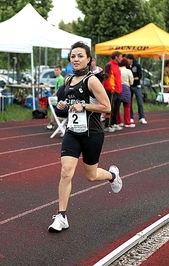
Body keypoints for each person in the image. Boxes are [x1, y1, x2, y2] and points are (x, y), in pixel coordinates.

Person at [48, 42, 123, 232]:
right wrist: (64, 105)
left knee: (91, 175)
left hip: (92, 133)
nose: (76, 59)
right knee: (66, 171)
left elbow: (107, 107)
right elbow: (67, 103)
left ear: (88, 59)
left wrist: (85, 106)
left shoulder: (92, 81)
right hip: (73, 132)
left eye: (80, 56)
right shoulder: (68, 80)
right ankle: (61, 216)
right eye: (73, 56)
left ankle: (113, 176)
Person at [103, 51, 123, 132]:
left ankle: (114, 123)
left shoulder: (117, 66)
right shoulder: (109, 65)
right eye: (121, 57)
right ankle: (108, 125)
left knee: (116, 108)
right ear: (116, 57)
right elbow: (106, 78)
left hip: (118, 91)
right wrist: (110, 89)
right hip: (112, 91)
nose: (122, 59)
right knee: (110, 108)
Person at [126, 54, 147, 125]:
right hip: (129, 86)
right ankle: (131, 117)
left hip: (137, 86)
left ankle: (141, 117)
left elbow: (140, 75)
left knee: (140, 102)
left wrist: (134, 78)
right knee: (130, 102)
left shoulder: (137, 66)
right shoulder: (127, 67)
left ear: (131, 59)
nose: (127, 60)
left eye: (128, 59)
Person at [116, 58, 134, 127]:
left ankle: (118, 121)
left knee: (117, 106)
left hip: (117, 87)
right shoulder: (128, 71)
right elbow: (131, 82)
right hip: (126, 88)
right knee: (127, 106)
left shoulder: (117, 69)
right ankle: (127, 122)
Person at [46, 65, 64, 130]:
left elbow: (60, 88)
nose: (55, 71)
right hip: (56, 96)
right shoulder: (57, 78)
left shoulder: (61, 78)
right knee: (53, 109)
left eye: (57, 70)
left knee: (57, 109)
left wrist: (54, 94)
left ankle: (60, 124)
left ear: (60, 71)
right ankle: (52, 123)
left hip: (59, 97)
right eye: (55, 70)